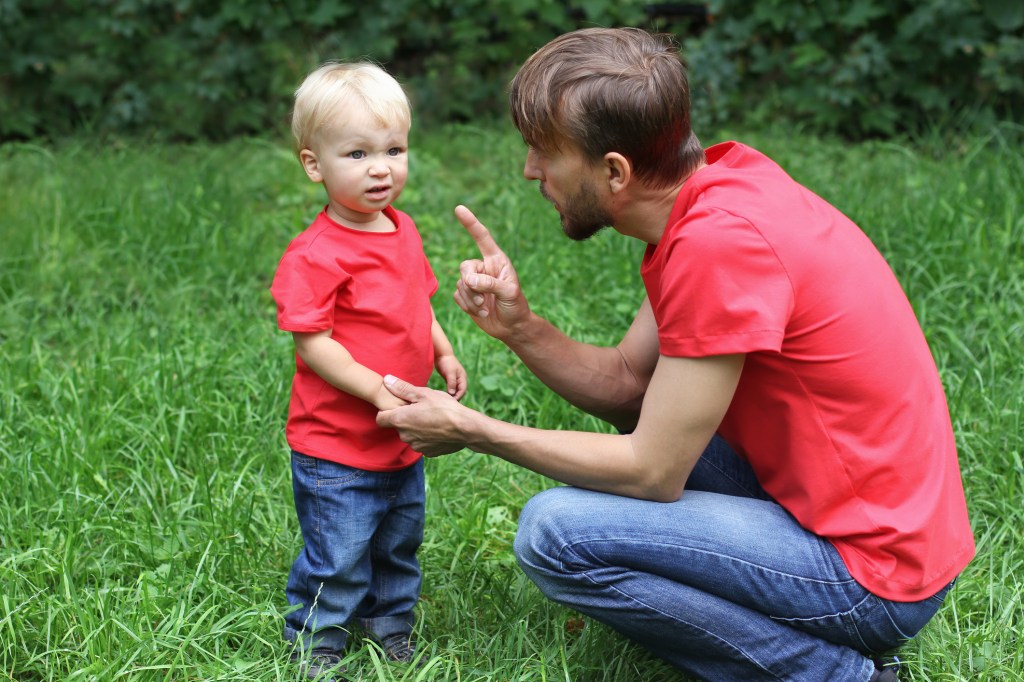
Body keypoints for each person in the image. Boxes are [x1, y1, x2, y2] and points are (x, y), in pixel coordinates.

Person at [375, 27, 974, 681]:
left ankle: (836, 675)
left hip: (875, 576)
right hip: (867, 527)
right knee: (641, 426)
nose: (530, 171)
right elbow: (631, 386)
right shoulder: (718, 193)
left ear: (614, 172)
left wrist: (474, 430)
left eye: (545, 152)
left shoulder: (719, 246)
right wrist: (521, 329)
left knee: (554, 534)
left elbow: (652, 470)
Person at [270, 61, 466, 681]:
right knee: (341, 552)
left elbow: (418, 301)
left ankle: (390, 626)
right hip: (338, 446)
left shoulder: (402, 229)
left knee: (397, 542)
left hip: (401, 438)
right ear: (314, 165)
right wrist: (376, 387)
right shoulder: (316, 254)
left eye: (394, 149)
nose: (381, 167)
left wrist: (442, 349)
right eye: (357, 153)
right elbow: (315, 345)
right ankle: (318, 637)